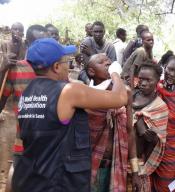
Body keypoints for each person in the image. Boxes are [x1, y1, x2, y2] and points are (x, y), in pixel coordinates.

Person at [12, 38, 128, 192]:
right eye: (66, 61)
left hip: (29, 179)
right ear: (56, 66)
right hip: (57, 183)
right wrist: (115, 73)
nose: (69, 66)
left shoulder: (28, 93)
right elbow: (120, 98)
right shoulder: (68, 91)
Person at [85, 53, 140, 192]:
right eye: (101, 62)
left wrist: (135, 171)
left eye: (109, 61)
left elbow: (130, 131)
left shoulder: (125, 93)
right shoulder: (84, 94)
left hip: (114, 165)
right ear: (91, 71)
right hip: (88, 165)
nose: (107, 63)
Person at [0, 24, 48, 164]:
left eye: (45, 43)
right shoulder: (16, 69)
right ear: (28, 43)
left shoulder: (56, 69)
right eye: (38, 43)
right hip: (22, 144)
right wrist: (2, 70)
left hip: (50, 148)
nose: (42, 48)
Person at [152, 55, 175, 192]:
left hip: (170, 151)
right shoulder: (152, 88)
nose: (172, 74)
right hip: (149, 147)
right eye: (170, 69)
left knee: (166, 188)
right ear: (164, 67)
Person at [131, 62, 169, 191]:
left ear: (157, 81)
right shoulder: (129, 96)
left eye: (148, 80)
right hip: (119, 155)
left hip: (140, 161)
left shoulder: (160, 107)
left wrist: (140, 121)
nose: (143, 83)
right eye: (141, 78)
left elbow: (156, 140)